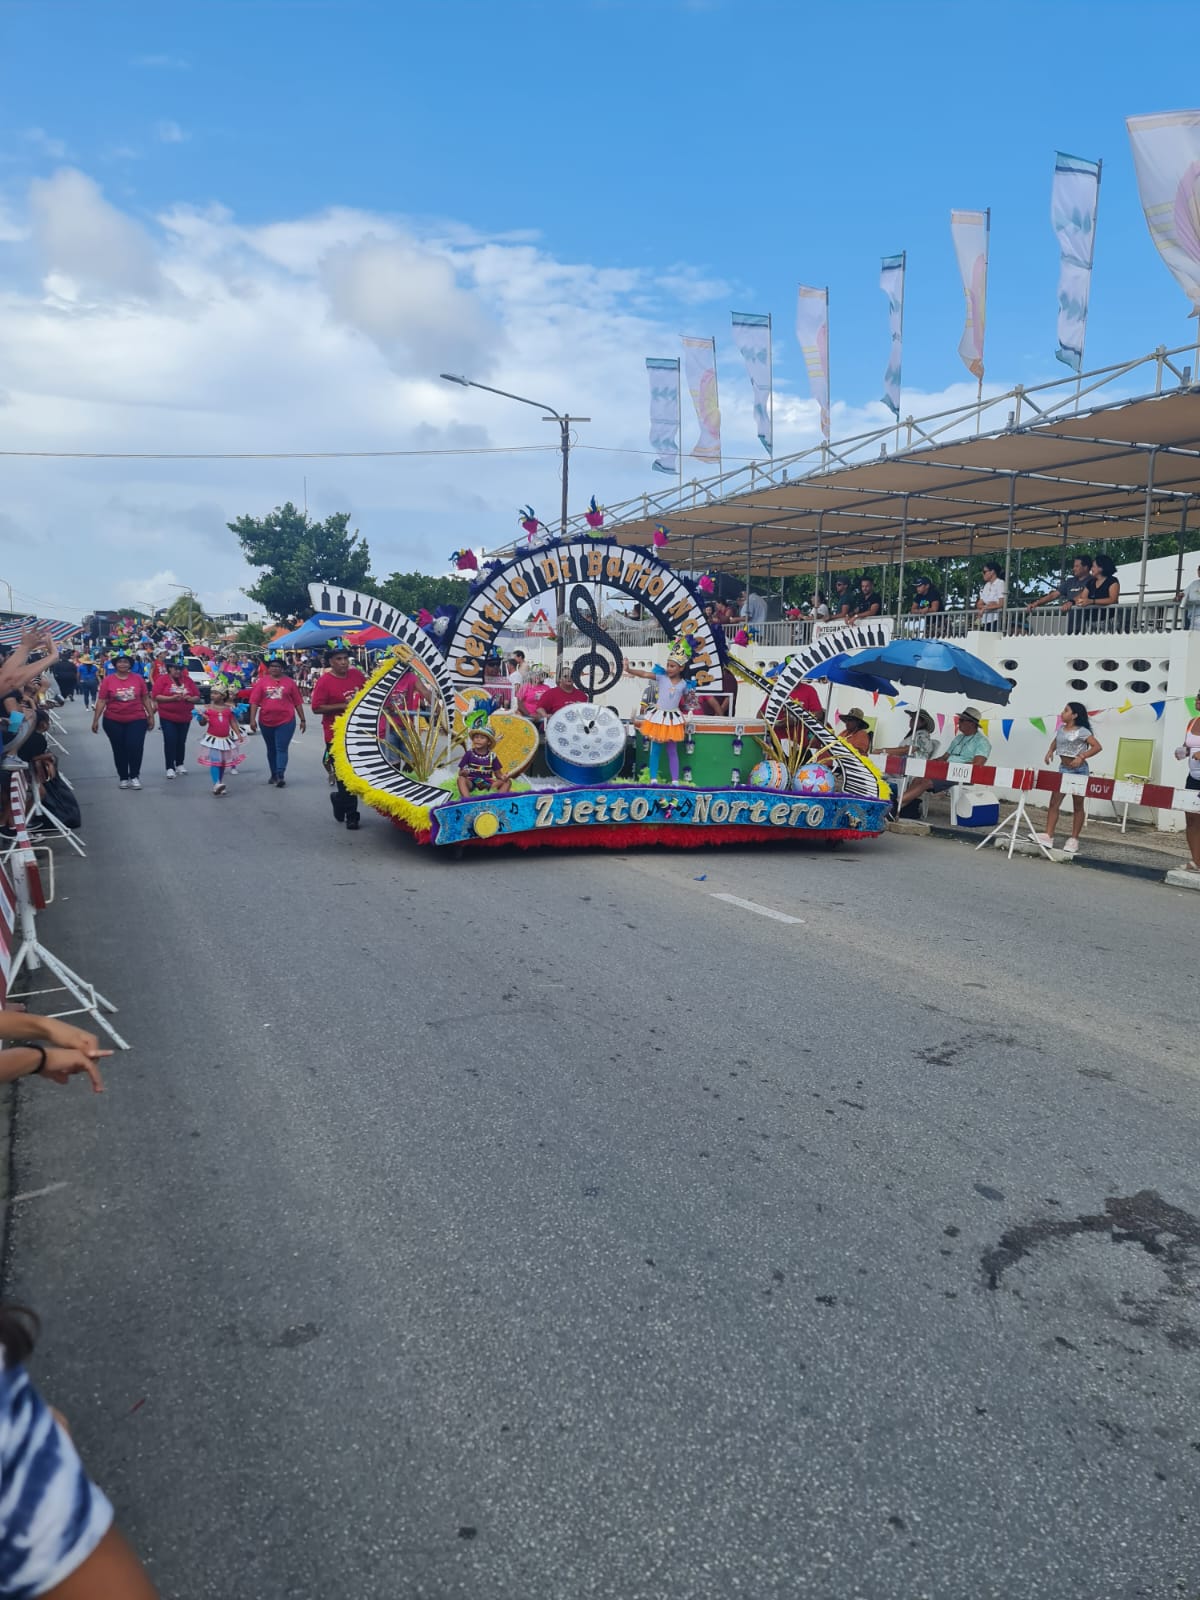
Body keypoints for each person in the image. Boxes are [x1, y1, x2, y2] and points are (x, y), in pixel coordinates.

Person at [624, 638, 698, 784]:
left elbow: (690, 702)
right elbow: (644, 674)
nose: (669, 668)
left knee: (672, 750)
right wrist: (628, 669)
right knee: (656, 749)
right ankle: (653, 779)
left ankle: (675, 780)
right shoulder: (662, 677)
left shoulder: (684, 684)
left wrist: (690, 709)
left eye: (672, 666)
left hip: (673, 718)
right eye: (668, 665)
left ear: (681, 668)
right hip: (659, 717)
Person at [310, 641, 367, 829]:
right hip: (335, 735)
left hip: (359, 733)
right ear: (330, 662)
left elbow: (367, 695)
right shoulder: (324, 681)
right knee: (344, 777)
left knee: (357, 775)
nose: (344, 662)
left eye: (345, 659)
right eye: (339, 659)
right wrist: (344, 706)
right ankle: (352, 815)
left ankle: (338, 799)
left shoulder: (357, 675)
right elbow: (316, 708)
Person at [1035, 702, 1102, 855]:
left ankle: (1074, 839)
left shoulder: (1082, 731)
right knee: (1054, 802)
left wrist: (1082, 756)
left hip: (1079, 770)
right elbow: (1056, 740)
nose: (1062, 713)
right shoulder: (1061, 729)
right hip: (1063, 768)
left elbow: (1097, 746)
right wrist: (1050, 751)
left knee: (1077, 805)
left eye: (1066, 710)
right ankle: (1048, 835)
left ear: (1074, 715)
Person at [896, 706, 992, 809]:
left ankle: (894, 804)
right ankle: (898, 809)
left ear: (972, 723)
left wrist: (952, 767)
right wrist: (934, 762)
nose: (958, 722)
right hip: (945, 771)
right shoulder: (958, 738)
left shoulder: (982, 742)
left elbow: (977, 765)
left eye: (962, 720)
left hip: (962, 774)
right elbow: (945, 757)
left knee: (925, 782)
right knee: (917, 780)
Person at [91, 649, 155, 789]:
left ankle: (134, 776)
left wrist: (151, 715)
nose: (123, 664)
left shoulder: (138, 679)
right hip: (113, 720)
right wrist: (95, 720)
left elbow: (145, 698)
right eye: (120, 662)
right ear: (115, 664)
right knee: (119, 749)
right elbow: (101, 701)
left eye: (125, 662)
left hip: (137, 719)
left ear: (130, 664)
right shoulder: (108, 680)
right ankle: (123, 777)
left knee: (135, 747)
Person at [248, 653, 307, 787]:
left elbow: (297, 702)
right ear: (268, 669)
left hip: (286, 720)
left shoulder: (290, 683)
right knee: (271, 749)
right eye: (272, 666)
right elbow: (254, 702)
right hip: (266, 720)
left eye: (278, 666)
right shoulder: (262, 682)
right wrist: (252, 720)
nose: (274, 668)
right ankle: (273, 773)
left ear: (283, 668)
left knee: (281, 748)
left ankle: (280, 774)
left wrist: (302, 719)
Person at [151, 656, 199, 779]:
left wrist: (190, 698)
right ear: (169, 669)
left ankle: (179, 764)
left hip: (185, 716)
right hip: (167, 716)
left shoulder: (188, 680)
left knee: (181, 741)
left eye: (180, 668)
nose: (178, 671)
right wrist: (172, 698)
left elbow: (197, 696)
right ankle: (170, 767)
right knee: (170, 740)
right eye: (175, 668)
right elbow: (156, 696)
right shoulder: (162, 680)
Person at [195, 686, 245, 796]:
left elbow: (232, 722)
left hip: (225, 739)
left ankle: (220, 783)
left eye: (216, 693)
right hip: (212, 739)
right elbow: (202, 723)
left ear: (223, 696)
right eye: (212, 693)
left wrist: (238, 734)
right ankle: (216, 783)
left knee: (222, 762)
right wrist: (203, 718)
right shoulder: (207, 708)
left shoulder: (228, 709)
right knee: (215, 760)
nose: (212, 695)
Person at [1028, 554, 1091, 631]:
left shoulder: (1093, 581)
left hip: (1089, 624)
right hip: (1072, 626)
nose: (1073, 569)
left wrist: (1071, 602)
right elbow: (1054, 595)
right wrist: (1037, 603)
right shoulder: (1070, 581)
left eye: (1077, 566)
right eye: (1074, 566)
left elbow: (1084, 595)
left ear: (1086, 567)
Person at [1173, 695, 1200, 874]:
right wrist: (1182, 752)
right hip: (1193, 777)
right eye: (1198, 697)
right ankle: (1196, 861)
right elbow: (1188, 746)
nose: (1197, 701)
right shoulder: (1192, 722)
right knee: (1191, 820)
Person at [457, 722, 512, 798]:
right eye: (476, 737)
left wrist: (504, 777)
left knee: (507, 782)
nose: (478, 740)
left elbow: (498, 774)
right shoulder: (469, 754)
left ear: (489, 742)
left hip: (488, 784)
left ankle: (496, 800)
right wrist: (463, 773)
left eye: (482, 738)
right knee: (461, 779)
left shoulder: (492, 756)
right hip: (471, 782)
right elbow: (460, 772)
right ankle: (467, 800)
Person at [1076, 553, 1121, 631]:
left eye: (1093, 566)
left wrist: (1091, 601)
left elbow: (1113, 599)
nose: (1091, 569)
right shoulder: (1091, 582)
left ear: (1101, 568)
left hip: (1108, 620)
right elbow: (1082, 597)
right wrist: (1079, 601)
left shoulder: (1112, 581)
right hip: (1091, 621)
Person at [975, 561, 1006, 629]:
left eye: (984, 572)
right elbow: (979, 604)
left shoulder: (1000, 583)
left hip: (995, 619)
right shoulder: (987, 585)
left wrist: (985, 607)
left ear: (992, 572)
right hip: (985, 620)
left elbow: (1001, 604)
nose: (983, 574)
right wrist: (988, 606)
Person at [1177, 563, 1200, 630]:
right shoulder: (1194, 584)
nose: (1198, 571)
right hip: (1193, 618)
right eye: (1198, 569)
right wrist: (1179, 597)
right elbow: (1179, 597)